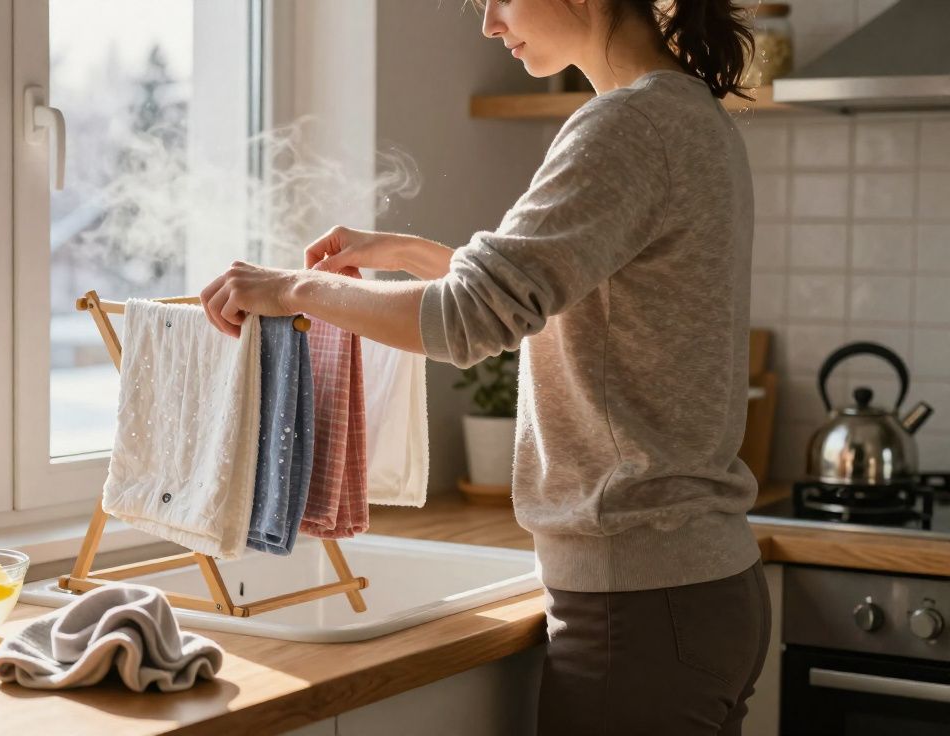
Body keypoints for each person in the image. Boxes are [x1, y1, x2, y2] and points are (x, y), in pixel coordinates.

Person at [199, 0, 770, 733]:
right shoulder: (685, 113)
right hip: (696, 589)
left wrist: (293, 289)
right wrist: (408, 254)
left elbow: (470, 319)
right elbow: (562, 298)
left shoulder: (627, 126)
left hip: (640, 601)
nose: (490, 24)